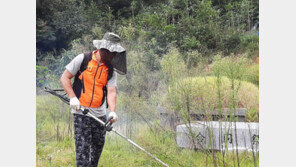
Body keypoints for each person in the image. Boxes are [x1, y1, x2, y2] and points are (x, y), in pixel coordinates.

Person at [60, 32, 126, 167]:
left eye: (115, 53)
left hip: (99, 114)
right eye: (111, 53)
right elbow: (65, 78)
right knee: (83, 150)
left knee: (97, 149)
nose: (113, 56)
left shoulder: (110, 70)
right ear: (103, 50)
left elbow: (112, 91)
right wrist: (73, 98)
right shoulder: (83, 59)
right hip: (81, 112)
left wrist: (112, 111)